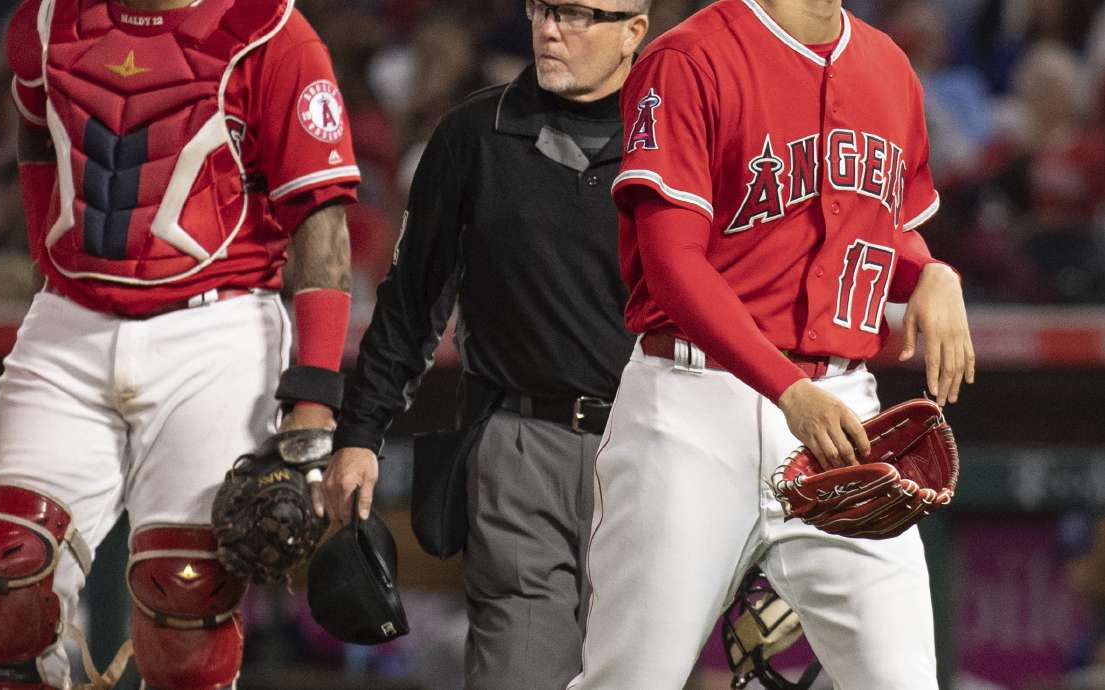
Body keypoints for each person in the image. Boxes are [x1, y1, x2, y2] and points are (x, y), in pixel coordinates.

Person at [568, 1, 975, 688]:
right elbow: (673, 264)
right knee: (632, 678)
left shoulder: (889, 67)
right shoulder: (690, 57)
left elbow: (868, 220)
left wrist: (930, 270)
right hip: (695, 409)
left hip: (842, 412)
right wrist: (785, 388)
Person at [0, 0, 359, 687]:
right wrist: (43, 264)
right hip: (69, 322)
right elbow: (35, 133)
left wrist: (314, 402)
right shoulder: (46, 22)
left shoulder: (274, 34)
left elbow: (321, 223)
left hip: (217, 329)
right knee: (3, 573)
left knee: (188, 601)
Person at [318, 1, 650, 687]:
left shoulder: (682, 139)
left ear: (633, 31)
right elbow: (411, 302)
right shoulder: (473, 135)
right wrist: (359, 435)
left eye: (578, 14)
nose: (551, 28)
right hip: (521, 442)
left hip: (655, 445)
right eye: (543, 8)